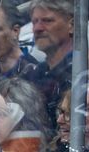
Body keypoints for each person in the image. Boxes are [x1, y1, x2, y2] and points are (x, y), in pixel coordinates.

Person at [23, 0, 74, 128]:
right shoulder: (34, 73)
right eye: (35, 22)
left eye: (47, 21)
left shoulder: (81, 71)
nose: (37, 28)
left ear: (71, 25)